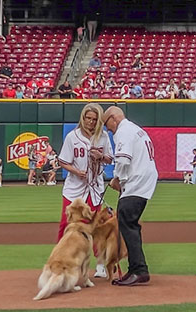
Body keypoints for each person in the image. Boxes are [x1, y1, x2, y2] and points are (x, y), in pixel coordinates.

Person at [102, 106, 156, 286]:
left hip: (136, 182)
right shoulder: (135, 129)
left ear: (113, 118)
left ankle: (139, 270)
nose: (107, 129)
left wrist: (118, 180)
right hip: (143, 181)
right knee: (129, 223)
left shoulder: (124, 132)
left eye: (107, 124)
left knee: (127, 222)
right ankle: (135, 269)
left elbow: (123, 160)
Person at [58, 103, 114, 266]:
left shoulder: (102, 136)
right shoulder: (72, 137)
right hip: (74, 187)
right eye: (87, 118)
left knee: (96, 225)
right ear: (82, 118)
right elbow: (63, 161)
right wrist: (76, 171)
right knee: (66, 224)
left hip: (95, 187)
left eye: (94, 119)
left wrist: (101, 156)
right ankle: (62, 258)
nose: (90, 122)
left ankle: (101, 264)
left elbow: (110, 159)